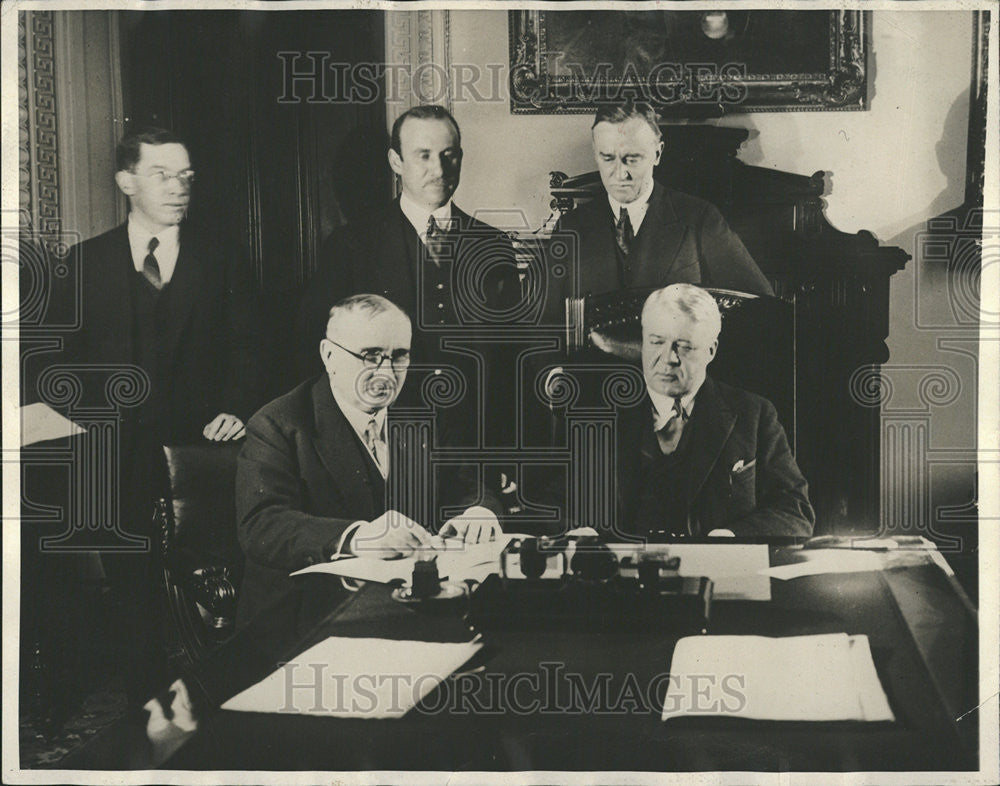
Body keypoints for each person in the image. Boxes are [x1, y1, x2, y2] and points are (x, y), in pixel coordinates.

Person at [59, 127, 264, 706]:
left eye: (186, 176)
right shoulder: (85, 262)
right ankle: (145, 712)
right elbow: (59, 362)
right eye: (162, 175)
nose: (179, 187)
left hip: (199, 455)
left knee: (212, 593)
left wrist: (237, 407)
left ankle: (222, 710)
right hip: (116, 455)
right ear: (126, 181)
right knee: (133, 594)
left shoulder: (222, 257)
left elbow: (251, 346)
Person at [236, 294, 504, 629]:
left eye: (399, 356)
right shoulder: (277, 424)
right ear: (329, 355)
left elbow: (469, 487)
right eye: (370, 356)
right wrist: (357, 537)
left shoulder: (422, 414)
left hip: (407, 610)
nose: (387, 373)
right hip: (302, 618)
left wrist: (479, 514)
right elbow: (262, 524)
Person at [551, 284, 813, 540]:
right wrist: (581, 533)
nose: (668, 358)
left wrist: (730, 538)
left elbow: (794, 510)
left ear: (711, 350)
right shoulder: (596, 414)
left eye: (685, 346)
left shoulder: (754, 414)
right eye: (656, 342)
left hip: (715, 565)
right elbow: (552, 501)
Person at [297, 105, 521, 389]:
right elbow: (316, 348)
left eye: (448, 155)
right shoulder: (351, 245)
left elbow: (512, 357)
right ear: (396, 162)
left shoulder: (493, 244)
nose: (439, 170)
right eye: (423, 155)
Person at [548, 101, 772, 312]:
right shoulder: (571, 226)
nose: (620, 173)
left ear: (657, 153)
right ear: (596, 153)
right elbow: (543, 321)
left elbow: (761, 305)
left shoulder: (700, 218)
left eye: (632, 158)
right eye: (607, 158)